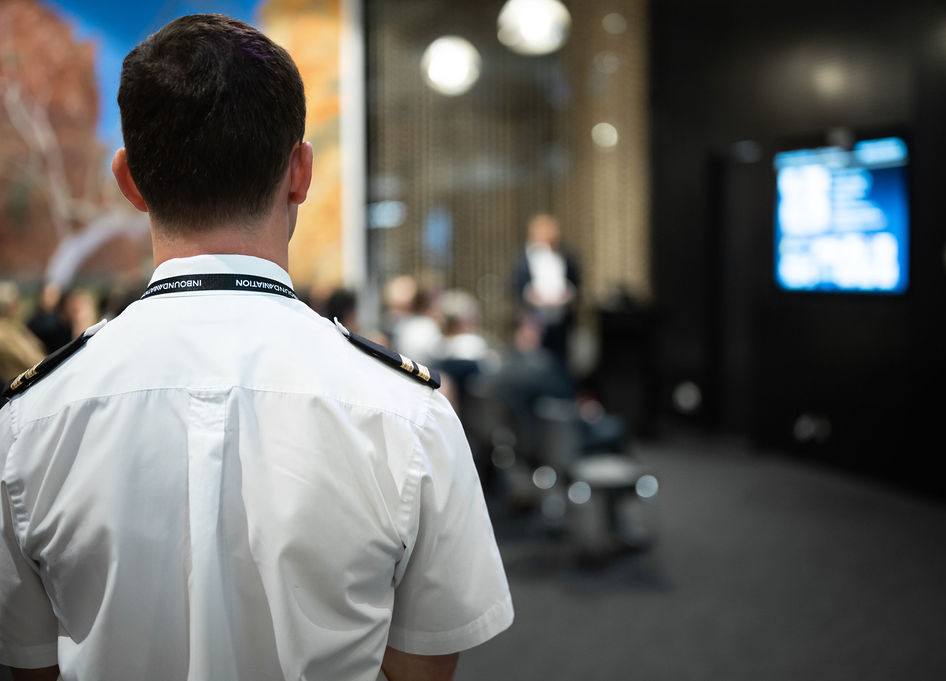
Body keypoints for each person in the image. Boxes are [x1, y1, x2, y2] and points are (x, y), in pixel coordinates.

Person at [0, 14, 512, 681]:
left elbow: (31, 664)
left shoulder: (29, 422)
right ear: (301, 172)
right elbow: (422, 670)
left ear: (128, 181)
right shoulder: (407, 414)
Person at [513, 213, 580, 364]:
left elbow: (575, 283)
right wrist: (532, 296)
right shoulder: (523, 258)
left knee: (560, 359)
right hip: (533, 320)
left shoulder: (565, 256)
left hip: (560, 320)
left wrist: (566, 295)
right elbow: (516, 287)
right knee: (534, 360)